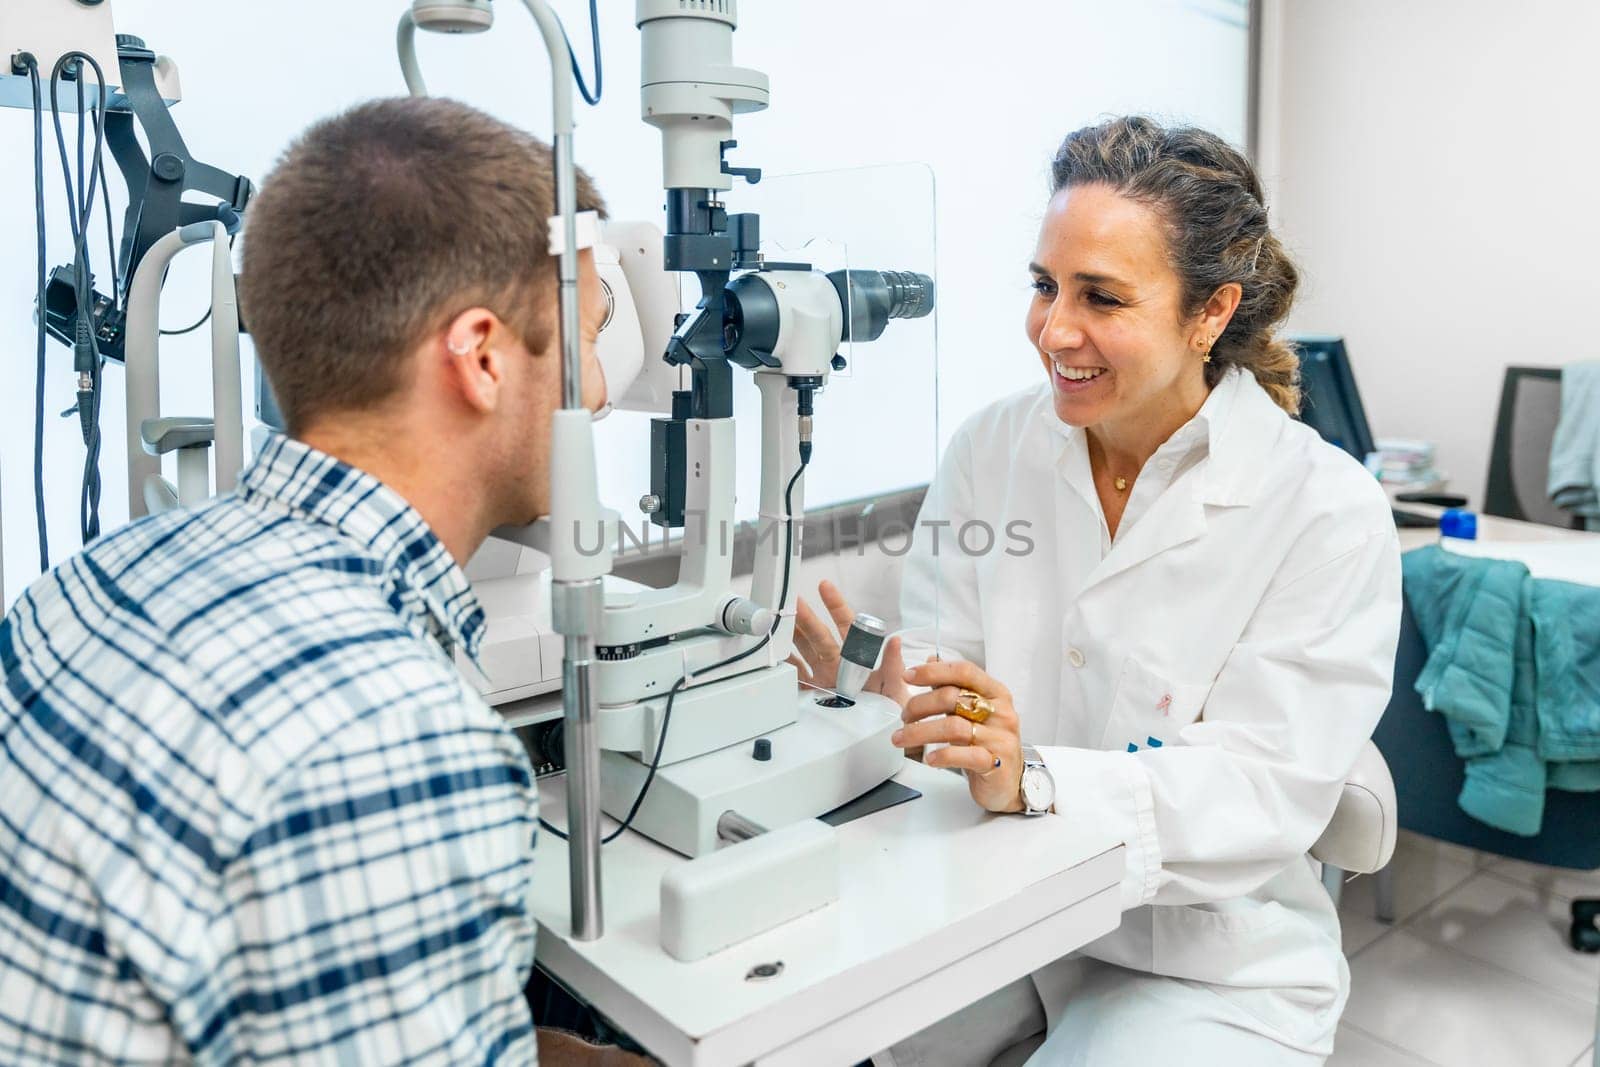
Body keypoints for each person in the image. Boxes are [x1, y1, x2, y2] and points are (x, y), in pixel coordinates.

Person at [0, 97, 643, 1064]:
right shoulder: (394, 748)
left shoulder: (87, 584)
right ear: (480, 356)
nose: (597, 390)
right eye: (588, 338)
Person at [792, 116, 1402, 1065]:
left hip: (1200, 958)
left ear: (1211, 312)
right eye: (1044, 286)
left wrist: (1028, 773)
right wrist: (883, 685)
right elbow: (953, 674)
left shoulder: (1326, 509)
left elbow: (1261, 787)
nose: (1054, 330)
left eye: (1102, 297)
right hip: (998, 912)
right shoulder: (991, 447)